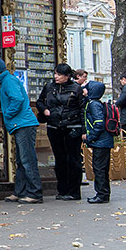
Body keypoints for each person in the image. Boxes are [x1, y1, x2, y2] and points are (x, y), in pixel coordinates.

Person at [0, 58, 43, 204]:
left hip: (23, 124)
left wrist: (8, 115)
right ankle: (20, 191)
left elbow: (17, 99)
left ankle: (35, 193)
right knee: (21, 159)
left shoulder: (8, 82)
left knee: (27, 159)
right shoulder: (8, 80)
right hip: (21, 123)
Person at [35, 63, 86, 200]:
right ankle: (62, 190)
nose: (56, 77)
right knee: (60, 159)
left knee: (73, 159)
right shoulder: (50, 87)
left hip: (72, 126)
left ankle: (74, 191)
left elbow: (82, 110)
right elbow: (39, 101)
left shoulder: (76, 89)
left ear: (67, 76)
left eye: (59, 74)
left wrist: (83, 129)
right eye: (55, 74)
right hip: (54, 126)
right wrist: (45, 110)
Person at [83, 81, 112, 203]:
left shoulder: (93, 104)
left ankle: (102, 194)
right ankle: (103, 193)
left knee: (99, 168)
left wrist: (90, 137)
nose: (84, 90)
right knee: (102, 168)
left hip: (100, 141)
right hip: (104, 141)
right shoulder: (98, 103)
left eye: (86, 88)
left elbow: (98, 123)